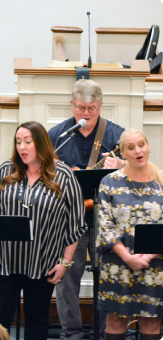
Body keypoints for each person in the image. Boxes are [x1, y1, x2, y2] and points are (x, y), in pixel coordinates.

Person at [0, 121, 86, 340]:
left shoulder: (63, 176)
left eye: (27, 142)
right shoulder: (6, 170)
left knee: (37, 320)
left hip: (43, 264)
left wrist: (65, 263)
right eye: (18, 142)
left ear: (40, 143)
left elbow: (75, 222)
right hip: (5, 263)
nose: (21, 147)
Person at [47, 79, 124, 340]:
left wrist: (121, 166)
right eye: (80, 108)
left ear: (101, 106)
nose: (86, 114)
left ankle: (104, 334)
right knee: (67, 278)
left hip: (105, 219)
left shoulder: (116, 135)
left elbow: (137, 171)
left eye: (92, 108)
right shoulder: (57, 135)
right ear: (72, 105)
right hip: (69, 219)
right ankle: (72, 335)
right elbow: (40, 171)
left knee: (107, 277)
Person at [97, 128, 163, 340]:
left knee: (151, 321)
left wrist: (147, 256)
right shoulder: (109, 182)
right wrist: (127, 257)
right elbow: (104, 225)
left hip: (153, 265)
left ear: (149, 146)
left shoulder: (161, 182)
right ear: (123, 154)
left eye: (141, 145)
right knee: (115, 320)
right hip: (117, 264)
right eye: (131, 148)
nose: (138, 151)